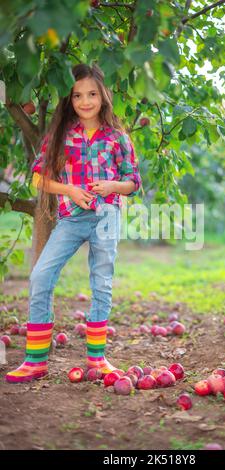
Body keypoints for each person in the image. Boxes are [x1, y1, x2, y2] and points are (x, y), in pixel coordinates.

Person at [5, 63, 142, 383]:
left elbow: (133, 181)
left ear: (104, 96)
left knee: (101, 282)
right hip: (70, 218)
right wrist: (69, 189)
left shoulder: (117, 137)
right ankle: (35, 360)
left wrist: (111, 187)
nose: (85, 101)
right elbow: (40, 179)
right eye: (78, 95)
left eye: (92, 94)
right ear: (69, 99)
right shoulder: (61, 136)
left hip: (106, 216)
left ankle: (97, 358)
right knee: (41, 274)